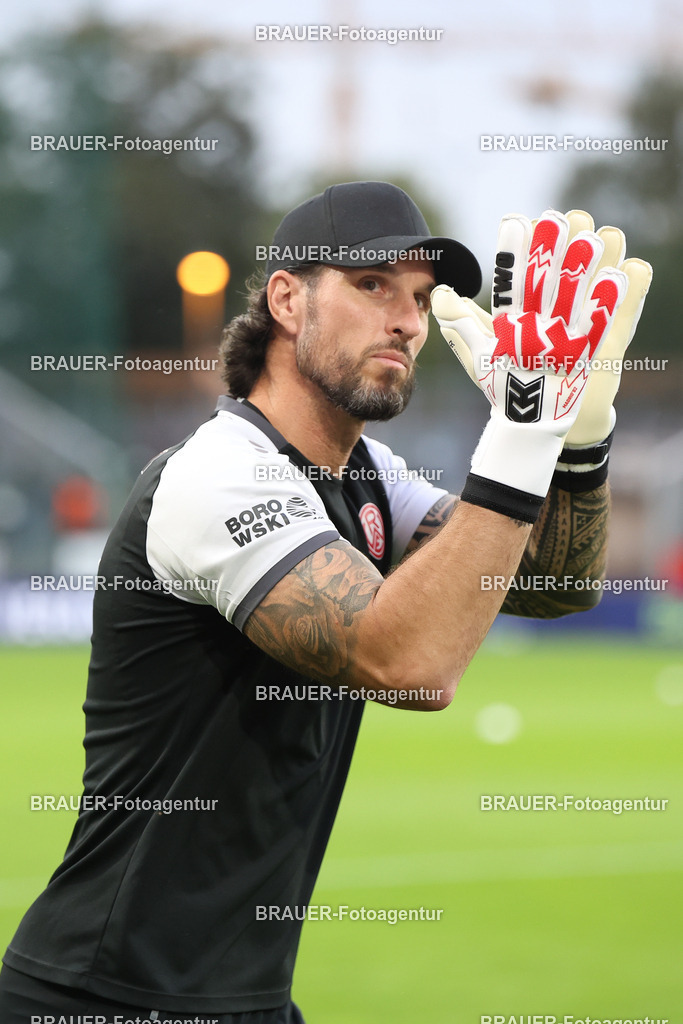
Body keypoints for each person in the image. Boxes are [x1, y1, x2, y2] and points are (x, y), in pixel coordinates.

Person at [0, 181, 651, 1023]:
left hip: (244, 998)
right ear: (285, 300)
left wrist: (578, 441)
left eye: (419, 298)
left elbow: (552, 583)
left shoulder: (368, 477)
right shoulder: (217, 471)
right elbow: (410, 663)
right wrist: (518, 434)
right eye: (371, 284)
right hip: (101, 995)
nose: (408, 322)